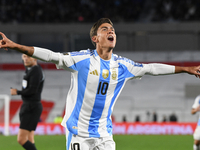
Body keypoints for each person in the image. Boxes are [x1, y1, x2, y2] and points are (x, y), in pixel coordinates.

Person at [1, 18, 200, 150]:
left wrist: (186, 69)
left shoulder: (122, 65)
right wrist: (17, 46)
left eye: (112, 29)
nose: (110, 31)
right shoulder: (82, 60)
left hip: (104, 135)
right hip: (79, 134)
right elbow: (51, 56)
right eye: (105, 29)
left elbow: (151, 68)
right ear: (95, 38)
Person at [10, 54, 45, 150]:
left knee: (21, 139)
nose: (25, 59)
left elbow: (32, 90)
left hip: (31, 106)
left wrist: (17, 92)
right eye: (24, 57)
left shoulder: (36, 70)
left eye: (28, 57)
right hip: (29, 105)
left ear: (35, 58)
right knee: (30, 138)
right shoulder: (30, 70)